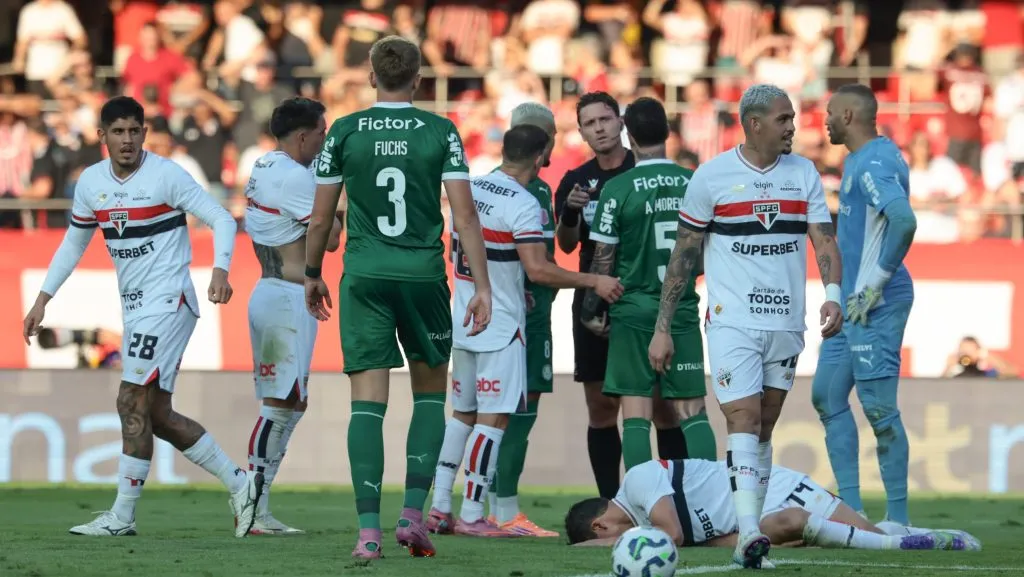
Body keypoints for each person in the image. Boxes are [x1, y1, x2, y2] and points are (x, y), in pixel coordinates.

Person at [22, 96, 260, 538]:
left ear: (145, 133)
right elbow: (73, 244)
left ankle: (122, 517)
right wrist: (42, 300)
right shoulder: (92, 183)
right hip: (135, 306)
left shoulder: (166, 175)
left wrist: (221, 270)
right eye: (118, 131)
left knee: (129, 400)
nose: (127, 140)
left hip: (169, 301)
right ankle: (242, 485)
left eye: (135, 130)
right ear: (102, 137)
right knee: (159, 415)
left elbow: (223, 219)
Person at [303, 35, 492, 559]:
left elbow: (320, 217)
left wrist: (313, 272)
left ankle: (368, 533)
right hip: (423, 277)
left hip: (363, 275)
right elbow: (465, 216)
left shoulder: (344, 130)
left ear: (370, 76)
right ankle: (412, 516)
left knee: (367, 404)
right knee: (431, 395)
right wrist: (482, 286)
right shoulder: (441, 131)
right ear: (417, 80)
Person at [649, 83, 844, 569]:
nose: (792, 128)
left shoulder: (803, 174)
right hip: (732, 322)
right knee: (744, 419)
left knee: (765, 426)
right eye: (783, 119)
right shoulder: (711, 178)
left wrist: (834, 296)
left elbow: (823, 241)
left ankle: (747, 529)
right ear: (754, 124)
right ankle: (750, 533)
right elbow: (683, 256)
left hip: (786, 323)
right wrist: (663, 326)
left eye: (792, 118)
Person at [427, 124, 624, 538]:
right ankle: (473, 513)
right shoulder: (522, 202)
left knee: (462, 414)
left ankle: (440, 506)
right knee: (493, 419)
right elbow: (538, 268)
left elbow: (468, 251)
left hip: (463, 315)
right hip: (499, 325)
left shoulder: (470, 189)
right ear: (539, 158)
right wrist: (593, 281)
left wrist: (511, 286)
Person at [554, 91, 687, 502]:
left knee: (664, 407)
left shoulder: (645, 168)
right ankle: (615, 503)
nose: (599, 128)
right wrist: (572, 213)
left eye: (606, 119)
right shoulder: (575, 181)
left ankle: (674, 497)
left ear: (621, 123)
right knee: (601, 407)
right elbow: (566, 244)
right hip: (595, 299)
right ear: (581, 133)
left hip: (644, 298)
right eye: (590, 123)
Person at [581, 96, 715, 472]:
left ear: (628, 134)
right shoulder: (694, 183)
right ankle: (710, 504)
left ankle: (643, 511)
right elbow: (705, 254)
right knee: (692, 411)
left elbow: (602, 259)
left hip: (633, 310)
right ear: (668, 133)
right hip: (682, 311)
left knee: (636, 413)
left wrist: (592, 311)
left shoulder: (618, 189)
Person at [814, 83, 918, 526]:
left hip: (877, 302)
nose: (826, 121)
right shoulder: (860, 159)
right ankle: (852, 511)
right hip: (853, 304)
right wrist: (839, 295)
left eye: (831, 113)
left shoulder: (873, 161)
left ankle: (897, 517)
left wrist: (875, 283)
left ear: (850, 117)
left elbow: (904, 219)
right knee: (827, 395)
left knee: (878, 408)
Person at [242, 97, 343, 535]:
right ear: (303, 136)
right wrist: (338, 200)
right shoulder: (297, 179)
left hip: (277, 291)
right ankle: (249, 503)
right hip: (285, 297)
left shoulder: (266, 164)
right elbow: (333, 238)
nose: (324, 140)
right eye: (322, 132)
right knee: (279, 403)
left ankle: (258, 505)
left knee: (293, 402)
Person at [563, 458, 981, 553]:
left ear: (601, 526)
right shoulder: (650, 518)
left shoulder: (638, 479)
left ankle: (913, 538)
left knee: (870, 542)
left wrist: (589, 550)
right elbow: (715, 541)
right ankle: (891, 532)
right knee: (789, 527)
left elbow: (671, 536)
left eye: (616, 540)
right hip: (762, 517)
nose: (626, 544)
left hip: (779, 487)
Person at [484, 102, 563, 537]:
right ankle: (506, 511)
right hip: (525, 314)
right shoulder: (531, 191)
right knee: (520, 409)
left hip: (493, 310)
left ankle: (483, 506)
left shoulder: (481, 185)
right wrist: (591, 281)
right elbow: (541, 263)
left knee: (489, 410)